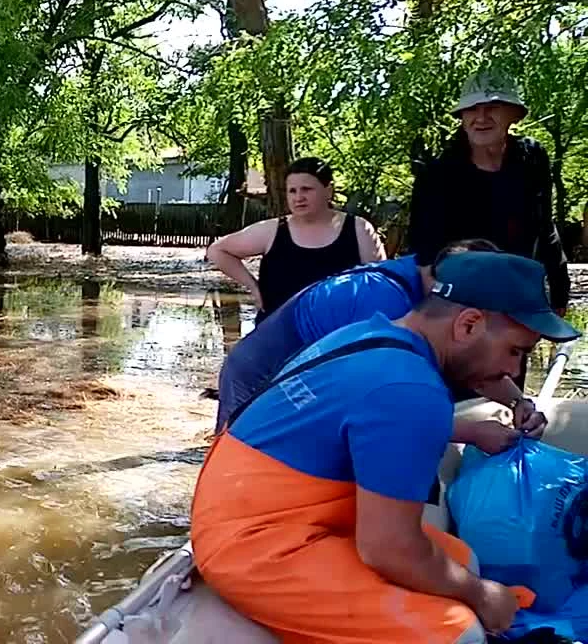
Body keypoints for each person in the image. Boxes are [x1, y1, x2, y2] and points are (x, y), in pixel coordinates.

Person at [192, 251, 580, 644]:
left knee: (466, 561)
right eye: (515, 351)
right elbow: (389, 549)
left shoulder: (373, 334)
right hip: (253, 547)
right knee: (461, 633)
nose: (514, 371)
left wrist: (473, 587)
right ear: (468, 325)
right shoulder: (410, 390)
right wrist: (482, 596)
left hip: (263, 511)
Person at [214, 238, 547, 447]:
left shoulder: (429, 291)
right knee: (235, 450)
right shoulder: (383, 300)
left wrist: (518, 402)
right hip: (258, 373)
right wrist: (471, 433)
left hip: (304, 370)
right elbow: (381, 408)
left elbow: (474, 360)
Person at [409, 68, 570, 362]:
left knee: (508, 383)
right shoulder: (438, 176)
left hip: (518, 300)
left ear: (514, 115)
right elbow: (425, 260)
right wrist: (443, 331)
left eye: (492, 108)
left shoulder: (532, 159)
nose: (481, 118)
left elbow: (545, 228)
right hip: (461, 306)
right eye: (471, 109)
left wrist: (559, 293)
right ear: (461, 117)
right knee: (466, 394)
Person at [207, 157, 385, 323]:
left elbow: (381, 283)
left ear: (328, 190)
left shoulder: (358, 229)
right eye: (292, 191)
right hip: (278, 335)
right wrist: (253, 286)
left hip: (339, 334)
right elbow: (217, 250)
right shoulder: (271, 231)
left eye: (307, 189)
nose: (298, 197)